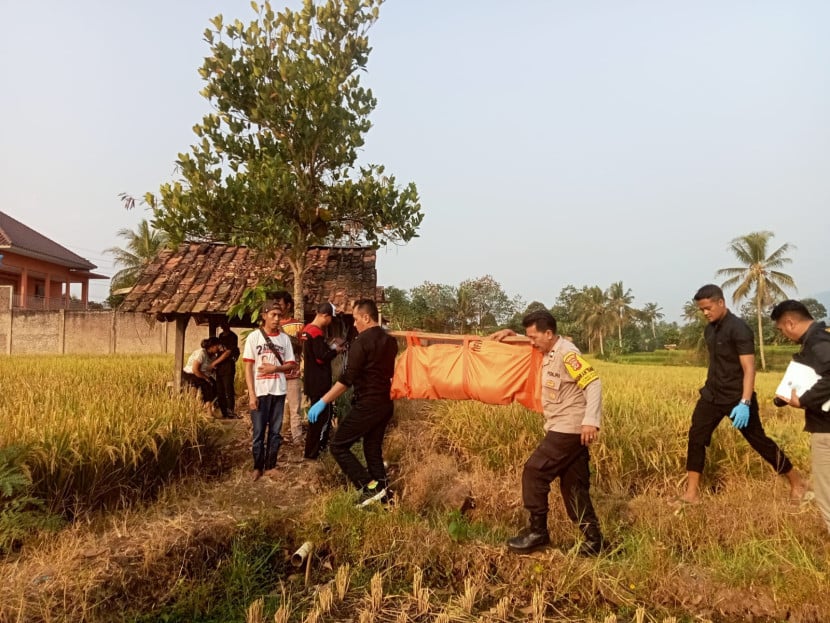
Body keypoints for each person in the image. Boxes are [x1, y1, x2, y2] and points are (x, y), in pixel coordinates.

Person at [676, 284, 806, 505]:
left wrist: (745, 402)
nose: (705, 313)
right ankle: (691, 494)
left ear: (720, 302)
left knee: (759, 441)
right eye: (702, 310)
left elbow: (749, 369)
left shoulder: (739, 329)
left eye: (708, 308)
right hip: (711, 396)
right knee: (696, 437)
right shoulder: (709, 330)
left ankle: (796, 482)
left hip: (737, 398)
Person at [491, 310, 606, 556]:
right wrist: (512, 335)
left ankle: (538, 533)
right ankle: (594, 541)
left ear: (549, 333)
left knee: (534, 471)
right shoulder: (548, 348)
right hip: (562, 426)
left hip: (569, 427)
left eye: (533, 337)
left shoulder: (567, 354)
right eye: (528, 337)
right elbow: (530, 343)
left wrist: (590, 421)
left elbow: (593, 383)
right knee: (574, 486)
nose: (531, 342)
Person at [307, 299, 398, 506]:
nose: (355, 324)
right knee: (372, 448)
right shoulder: (390, 341)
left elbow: (347, 379)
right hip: (385, 403)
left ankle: (368, 486)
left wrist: (322, 401)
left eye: (356, 319)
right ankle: (385, 498)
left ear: (367, 317)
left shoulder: (362, 342)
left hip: (368, 403)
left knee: (338, 446)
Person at [771, 299, 830, 531]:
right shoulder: (823, 337)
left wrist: (804, 400)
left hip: (826, 429)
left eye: (781, 328)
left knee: (826, 494)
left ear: (790, 322)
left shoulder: (817, 341)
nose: (783, 334)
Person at [242, 298, 298, 481]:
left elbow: (291, 364)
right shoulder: (254, 338)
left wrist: (276, 369)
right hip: (260, 391)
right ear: (264, 315)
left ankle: (271, 466)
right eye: (273, 315)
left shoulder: (284, 340)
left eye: (279, 316)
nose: (276, 319)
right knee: (258, 432)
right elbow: (248, 367)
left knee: (276, 432)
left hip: (278, 391)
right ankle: (257, 466)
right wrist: (251, 394)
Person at [301, 302, 346, 459]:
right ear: (325, 316)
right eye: (330, 319)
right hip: (320, 382)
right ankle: (316, 451)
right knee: (323, 418)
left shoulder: (306, 331)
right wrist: (335, 350)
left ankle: (310, 451)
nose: (330, 322)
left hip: (311, 381)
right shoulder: (316, 333)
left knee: (315, 418)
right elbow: (321, 357)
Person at [274, 291, 306, 445]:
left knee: (295, 409)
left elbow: (302, 347)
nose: (277, 308)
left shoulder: (298, 325)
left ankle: (297, 439)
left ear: (288, 305)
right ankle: (276, 436)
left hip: (292, 374)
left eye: (280, 304)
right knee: (275, 409)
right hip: (274, 375)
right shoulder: (268, 327)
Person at [182, 337, 223, 413]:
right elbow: (195, 370)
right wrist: (206, 378)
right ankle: (208, 410)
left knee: (216, 385)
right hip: (191, 373)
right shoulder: (201, 353)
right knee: (206, 385)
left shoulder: (213, 356)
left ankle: (213, 406)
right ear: (212, 346)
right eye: (217, 346)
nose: (219, 348)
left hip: (202, 374)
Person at [211, 319, 240, 419]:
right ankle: (223, 412)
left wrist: (214, 362)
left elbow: (227, 353)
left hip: (228, 366)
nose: (223, 326)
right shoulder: (220, 336)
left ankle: (230, 411)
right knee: (220, 390)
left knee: (228, 389)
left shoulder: (233, 336)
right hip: (220, 367)